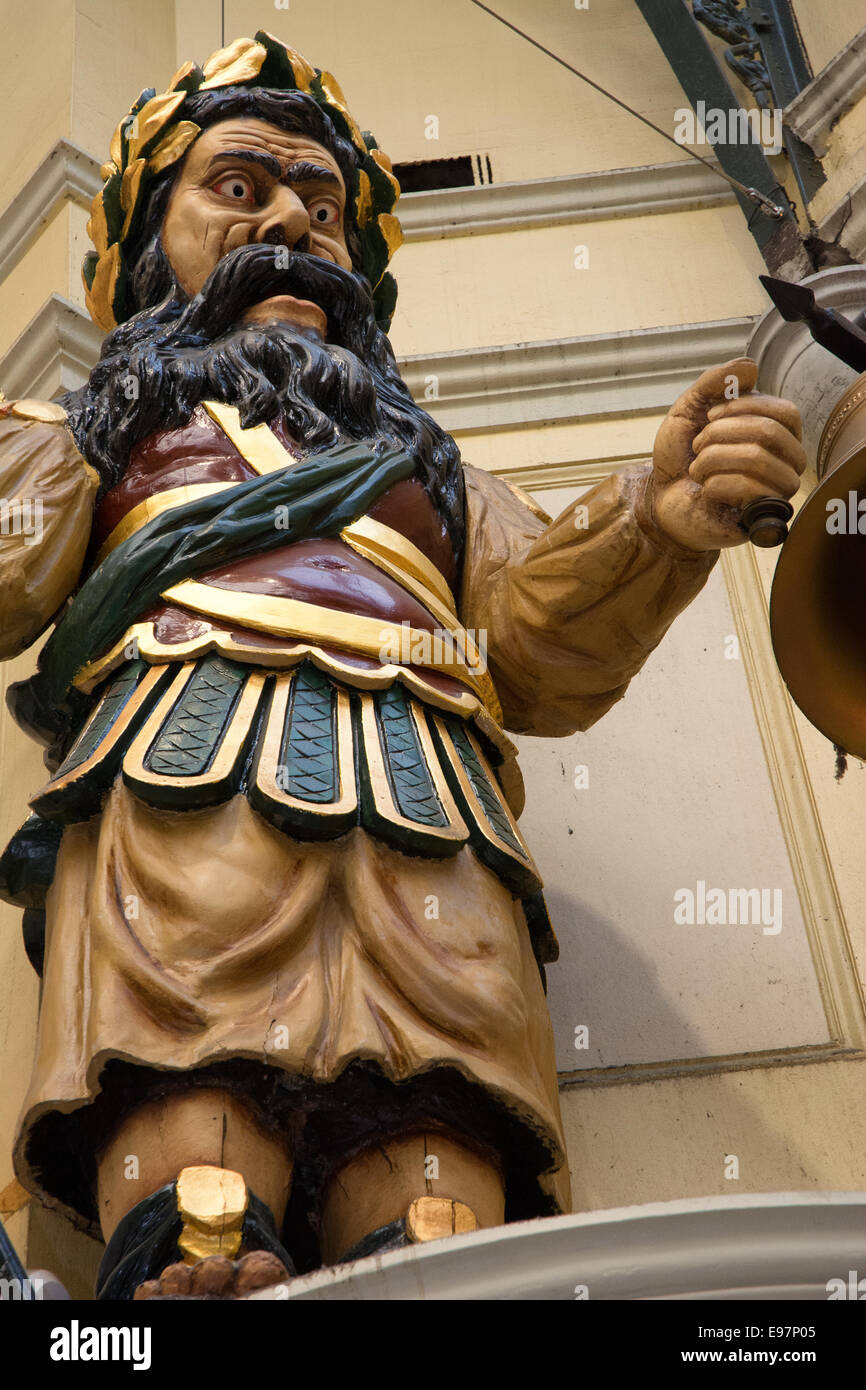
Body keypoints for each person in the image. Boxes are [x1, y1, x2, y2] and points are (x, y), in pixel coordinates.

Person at [0, 33, 806, 1299]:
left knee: (436, 1082)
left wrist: (656, 516)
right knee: (189, 1038)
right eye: (241, 187)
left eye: (322, 208)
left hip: (428, 786)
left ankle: (424, 1262)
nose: (294, 226)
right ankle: (189, 1252)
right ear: (147, 243)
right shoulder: (100, 431)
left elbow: (535, 649)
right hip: (187, 749)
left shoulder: (430, 471)